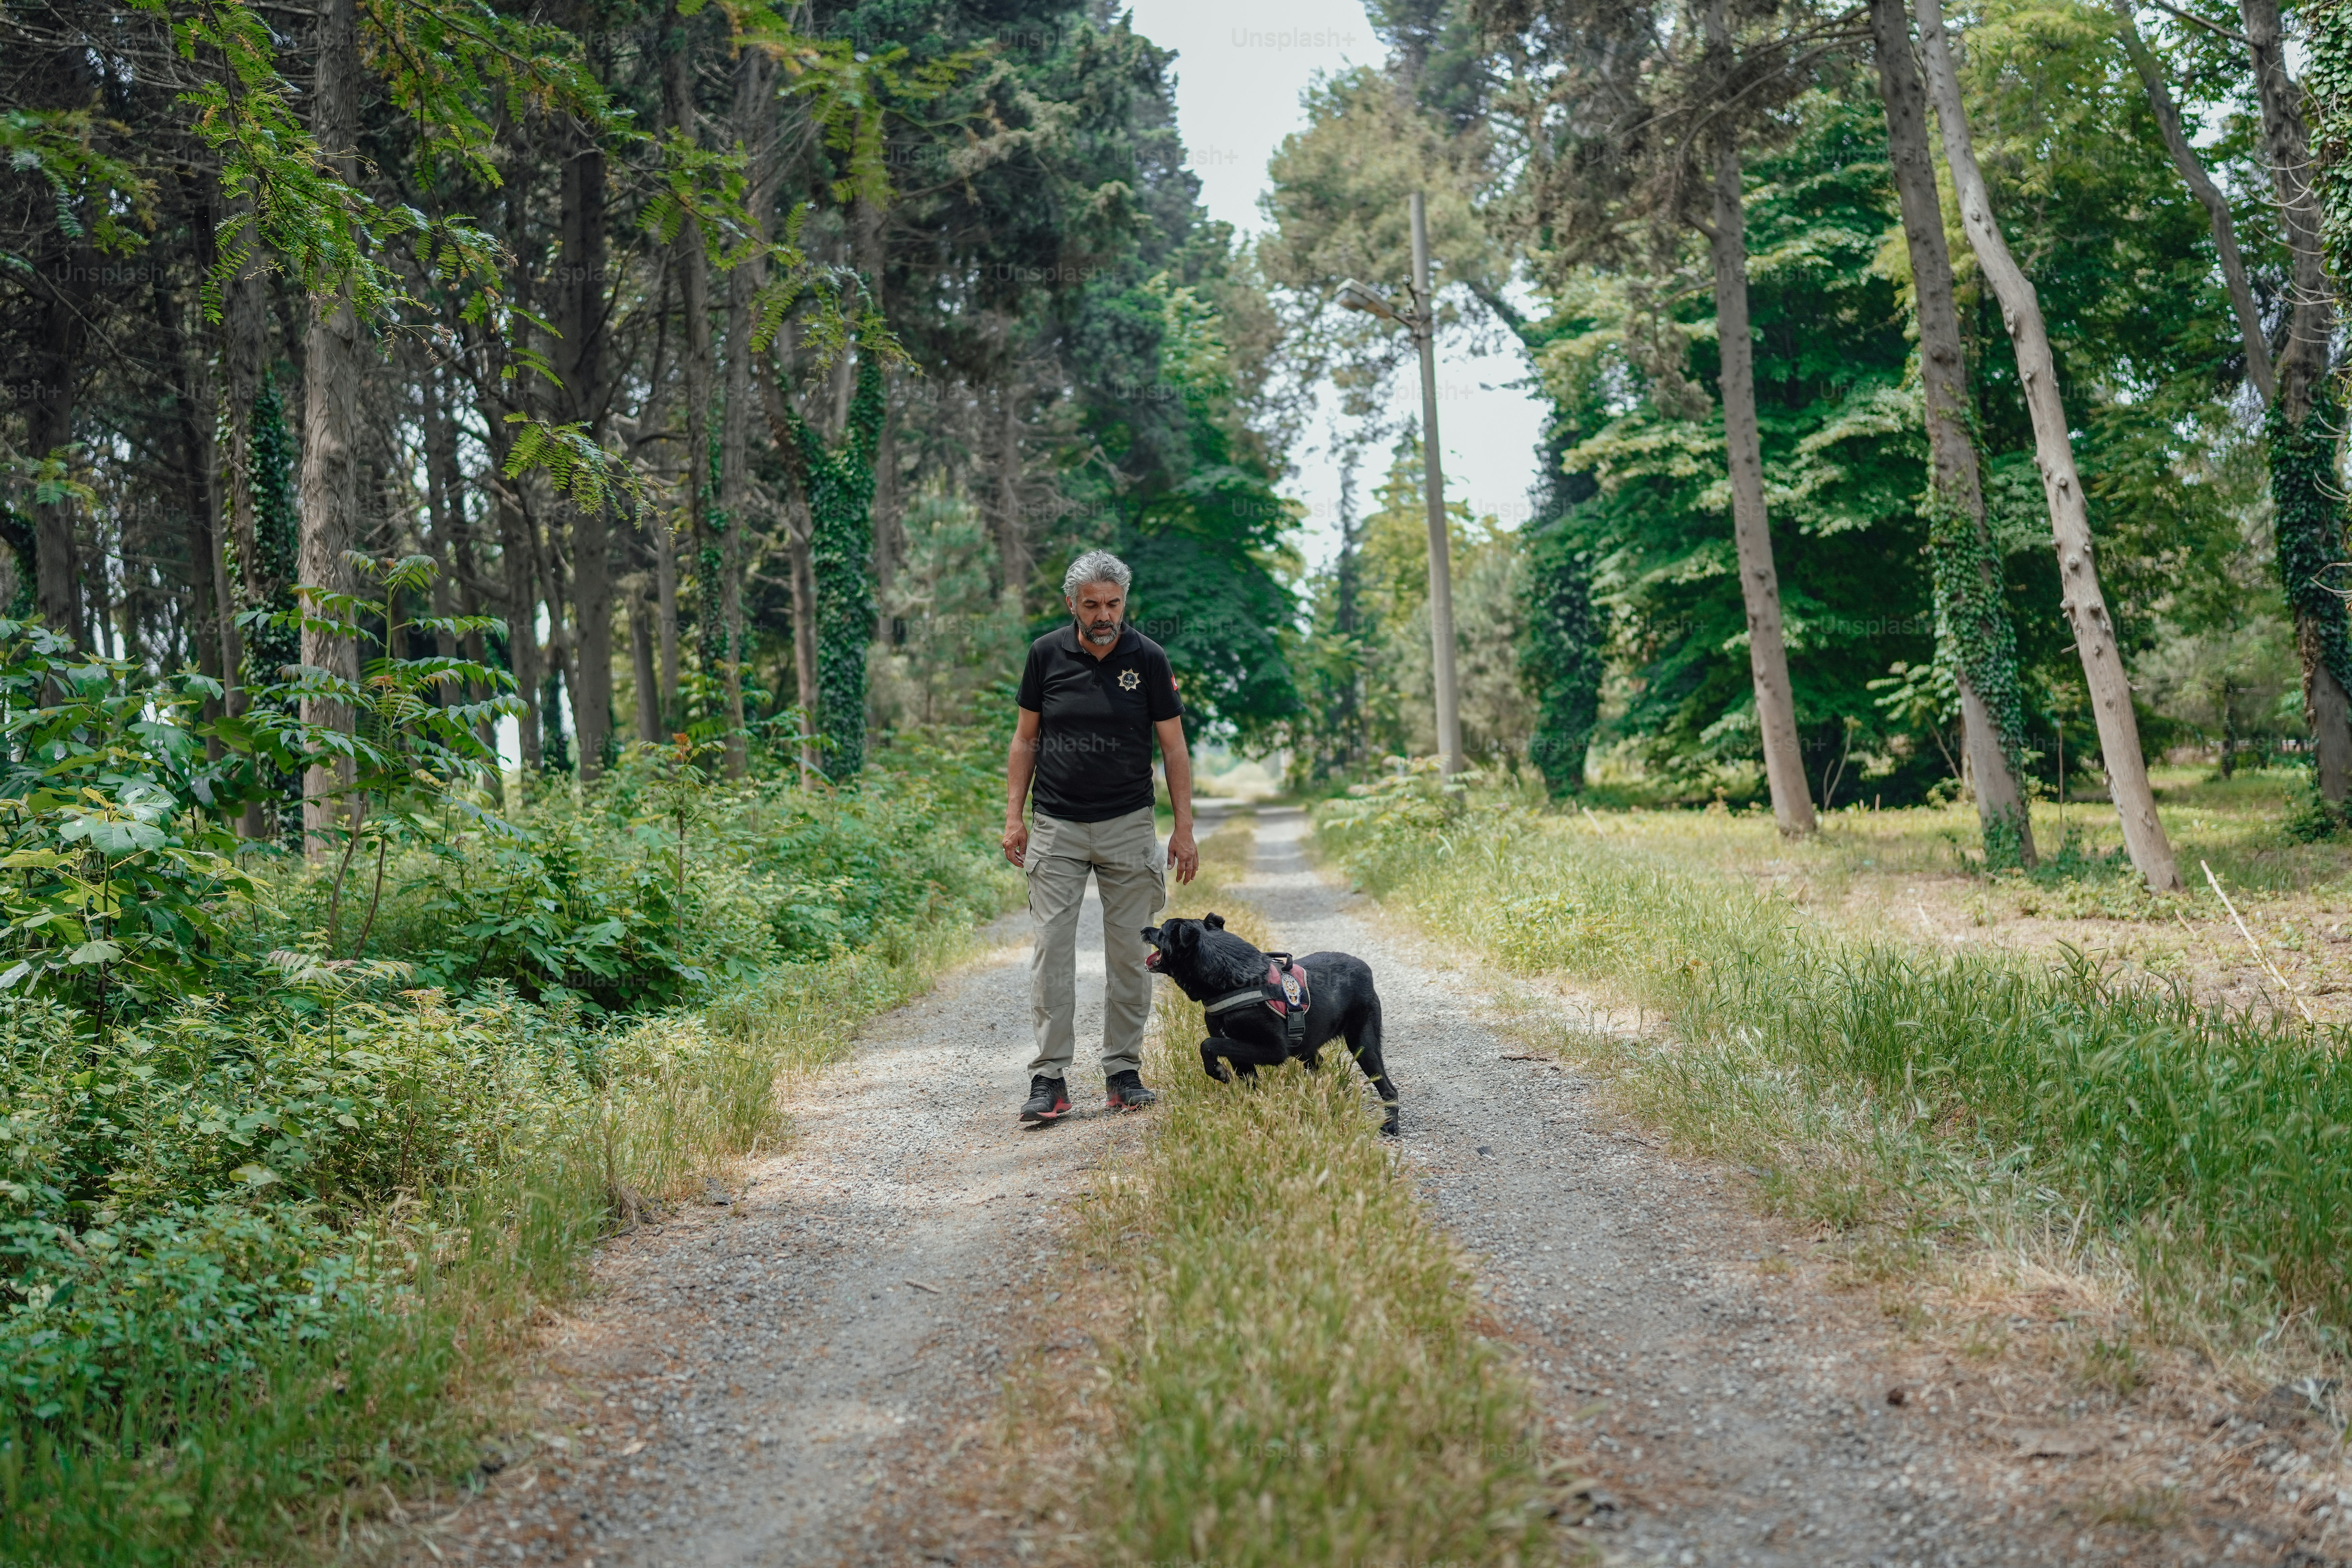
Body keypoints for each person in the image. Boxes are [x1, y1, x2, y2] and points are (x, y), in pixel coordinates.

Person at [1002, 549, 1199, 1123]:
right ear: (1072, 605)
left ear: (1125, 602)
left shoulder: (1149, 657)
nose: (1104, 614)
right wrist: (1015, 817)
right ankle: (1049, 1080)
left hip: (1129, 826)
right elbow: (1024, 741)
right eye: (1091, 605)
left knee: (1133, 955)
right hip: (1058, 826)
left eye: (1113, 603)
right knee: (1051, 955)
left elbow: (1174, 747)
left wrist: (1183, 828)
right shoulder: (1045, 655)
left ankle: (1123, 1072)